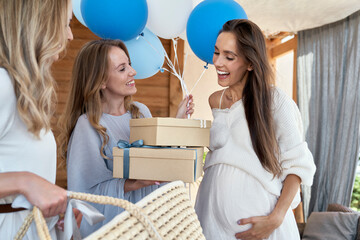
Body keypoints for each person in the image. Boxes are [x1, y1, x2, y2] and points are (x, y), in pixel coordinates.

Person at [58, 39, 194, 237]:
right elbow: (84, 195)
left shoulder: (140, 111)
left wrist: (177, 123)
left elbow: (158, 160)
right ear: (101, 81)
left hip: (150, 222)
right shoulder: (87, 125)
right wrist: (133, 183)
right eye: (122, 69)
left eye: (129, 64)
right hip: (119, 228)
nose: (133, 71)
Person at [194, 19, 316, 240]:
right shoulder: (215, 101)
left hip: (263, 228)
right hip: (211, 224)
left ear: (250, 63)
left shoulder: (275, 101)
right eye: (216, 53)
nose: (218, 62)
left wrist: (276, 218)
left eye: (229, 57)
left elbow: (298, 166)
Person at [0, 0, 75, 238]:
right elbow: (25, 180)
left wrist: (55, 204)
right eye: (66, 24)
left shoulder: (22, 93)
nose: (71, 36)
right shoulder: (2, 85)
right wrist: (26, 182)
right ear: (41, 24)